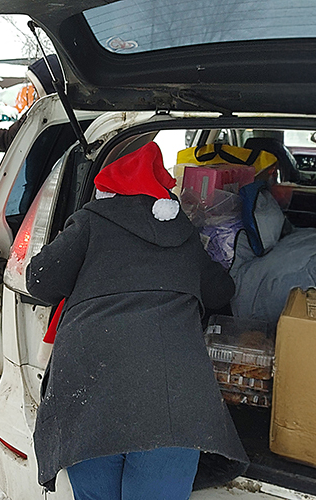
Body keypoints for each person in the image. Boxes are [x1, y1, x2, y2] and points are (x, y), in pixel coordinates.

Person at [25, 141, 249, 499]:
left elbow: (38, 280)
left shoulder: (89, 222)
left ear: (108, 188)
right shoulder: (184, 233)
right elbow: (222, 291)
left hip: (90, 390)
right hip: (175, 400)